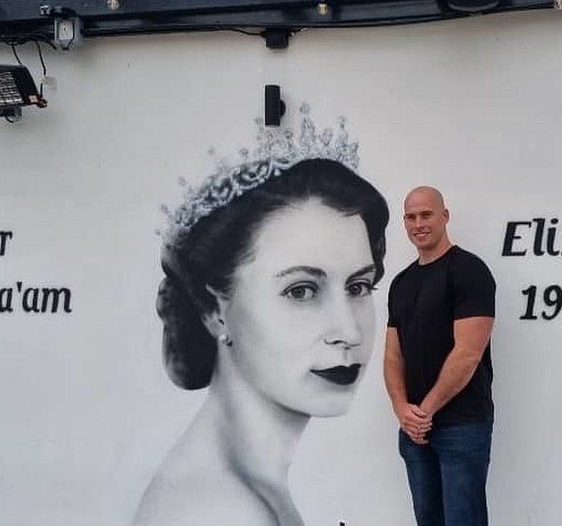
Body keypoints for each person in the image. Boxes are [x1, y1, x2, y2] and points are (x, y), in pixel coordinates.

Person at [135, 156, 390, 526]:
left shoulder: (244, 484)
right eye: (301, 291)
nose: (349, 332)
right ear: (213, 310)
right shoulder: (222, 512)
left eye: (358, 286)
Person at [384, 186, 496, 526]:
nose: (418, 223)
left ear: (444, 216)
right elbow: (392, 356)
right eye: (411, 217)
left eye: (426, 214)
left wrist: (424, 412)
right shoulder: (401, 283)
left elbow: (468, 353)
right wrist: (402, 410)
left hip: (462, 425)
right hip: (415, 430)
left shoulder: (469, 271)